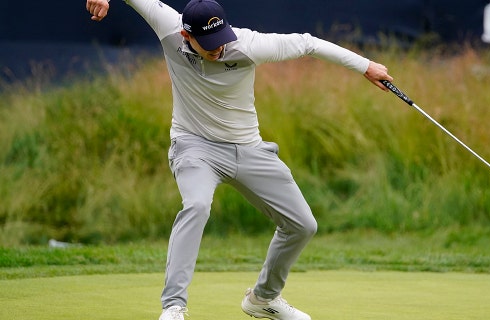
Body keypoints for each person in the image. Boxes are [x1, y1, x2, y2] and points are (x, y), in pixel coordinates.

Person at [86, 0, 393, 319]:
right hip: (195, 147)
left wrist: (366, 66)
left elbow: (308, 43)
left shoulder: (247, 44)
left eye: (220, 38)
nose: (218, 48)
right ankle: (174, 306)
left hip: (249, 150)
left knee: (303, 225)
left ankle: (263, 299)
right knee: (197, 205)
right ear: (185, 35)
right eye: (208, 44)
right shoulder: (168, 27)